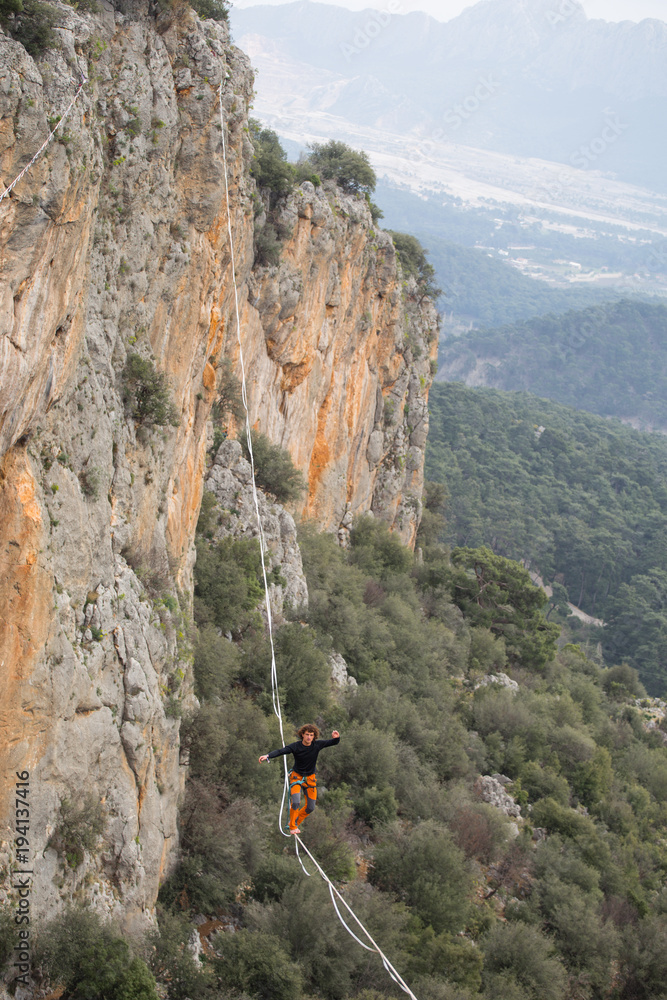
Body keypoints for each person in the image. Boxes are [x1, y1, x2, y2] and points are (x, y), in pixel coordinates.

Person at [259, 725, 340, 834]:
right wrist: (268, 756)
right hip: (297, 777)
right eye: (307, 734)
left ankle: (295, 822)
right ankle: (292, 826)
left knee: (310, 807)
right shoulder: (296, 746)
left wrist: (336, 738)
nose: (309, 737)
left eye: (311, 735)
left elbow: (333, 742)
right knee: (296, 802)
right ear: (302, 734)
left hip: (310, 779)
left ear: (314, 736)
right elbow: (281, 751)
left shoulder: (316, 745)